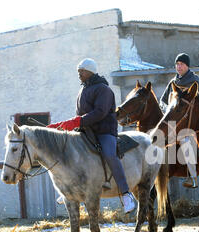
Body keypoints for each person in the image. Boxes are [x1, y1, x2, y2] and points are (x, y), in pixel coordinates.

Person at [47, 58, 136, 214]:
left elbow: (100, 112)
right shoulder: (82, 90)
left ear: (90, 71)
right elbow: (80, 114)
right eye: (78, 71)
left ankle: (126, 193)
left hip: (104, 131)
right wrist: (73, 124)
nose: (79, 74)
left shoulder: (104, 89)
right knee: (67, 151)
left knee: (110, 154)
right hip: (85, 130)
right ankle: (69, 190)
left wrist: (78, 121)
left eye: (81, 71)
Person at [160, 53, 199, 188]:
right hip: (173, 122)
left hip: (190, 123)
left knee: (185, 141)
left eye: (182, 64)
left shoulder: (195, 81)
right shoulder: (172, 83)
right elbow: (162, 101)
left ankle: (192, 177)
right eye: (177, 64)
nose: (179, 67)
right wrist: (169, 110)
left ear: (187, 66)